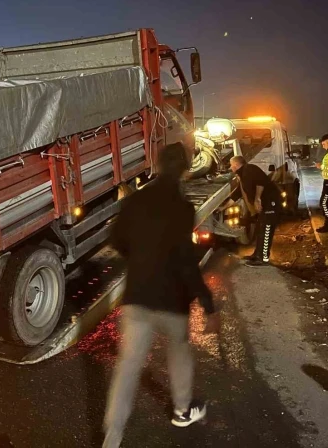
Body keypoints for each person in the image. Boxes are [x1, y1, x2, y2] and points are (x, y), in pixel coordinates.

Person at [102, 143, 219, 448]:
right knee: (179, 350)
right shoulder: (182, 208)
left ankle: (113, 436)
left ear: (158, 165)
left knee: (127, 366)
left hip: (138, 296)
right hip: (171, 301)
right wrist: (206, 302)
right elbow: (185, 260)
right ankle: (182, 410)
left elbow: (116, 239)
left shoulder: (135, 201)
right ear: (183, 169)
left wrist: (139, 260)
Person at [223, 156, 282, 267]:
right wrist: (223, 207)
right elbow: (237, 194)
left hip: (270, 203)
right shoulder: (242, 175)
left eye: (231, 165)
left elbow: (261, 182)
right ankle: (257, 255)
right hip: (264, 206)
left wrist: (257, 199)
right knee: (260, 229)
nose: (231, 167)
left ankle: (263, 259)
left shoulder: (250, 168)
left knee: (266, 230)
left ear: (236, 164)